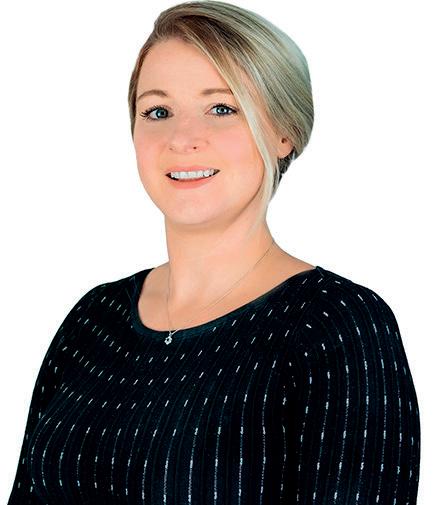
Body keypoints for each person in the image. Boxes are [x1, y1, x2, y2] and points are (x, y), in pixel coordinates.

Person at [7, 1, 420, 503]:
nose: (182, 138)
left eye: (222, 108)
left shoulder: (337, 325)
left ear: (284, 131)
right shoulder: (94, 319)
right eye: (158, 111)